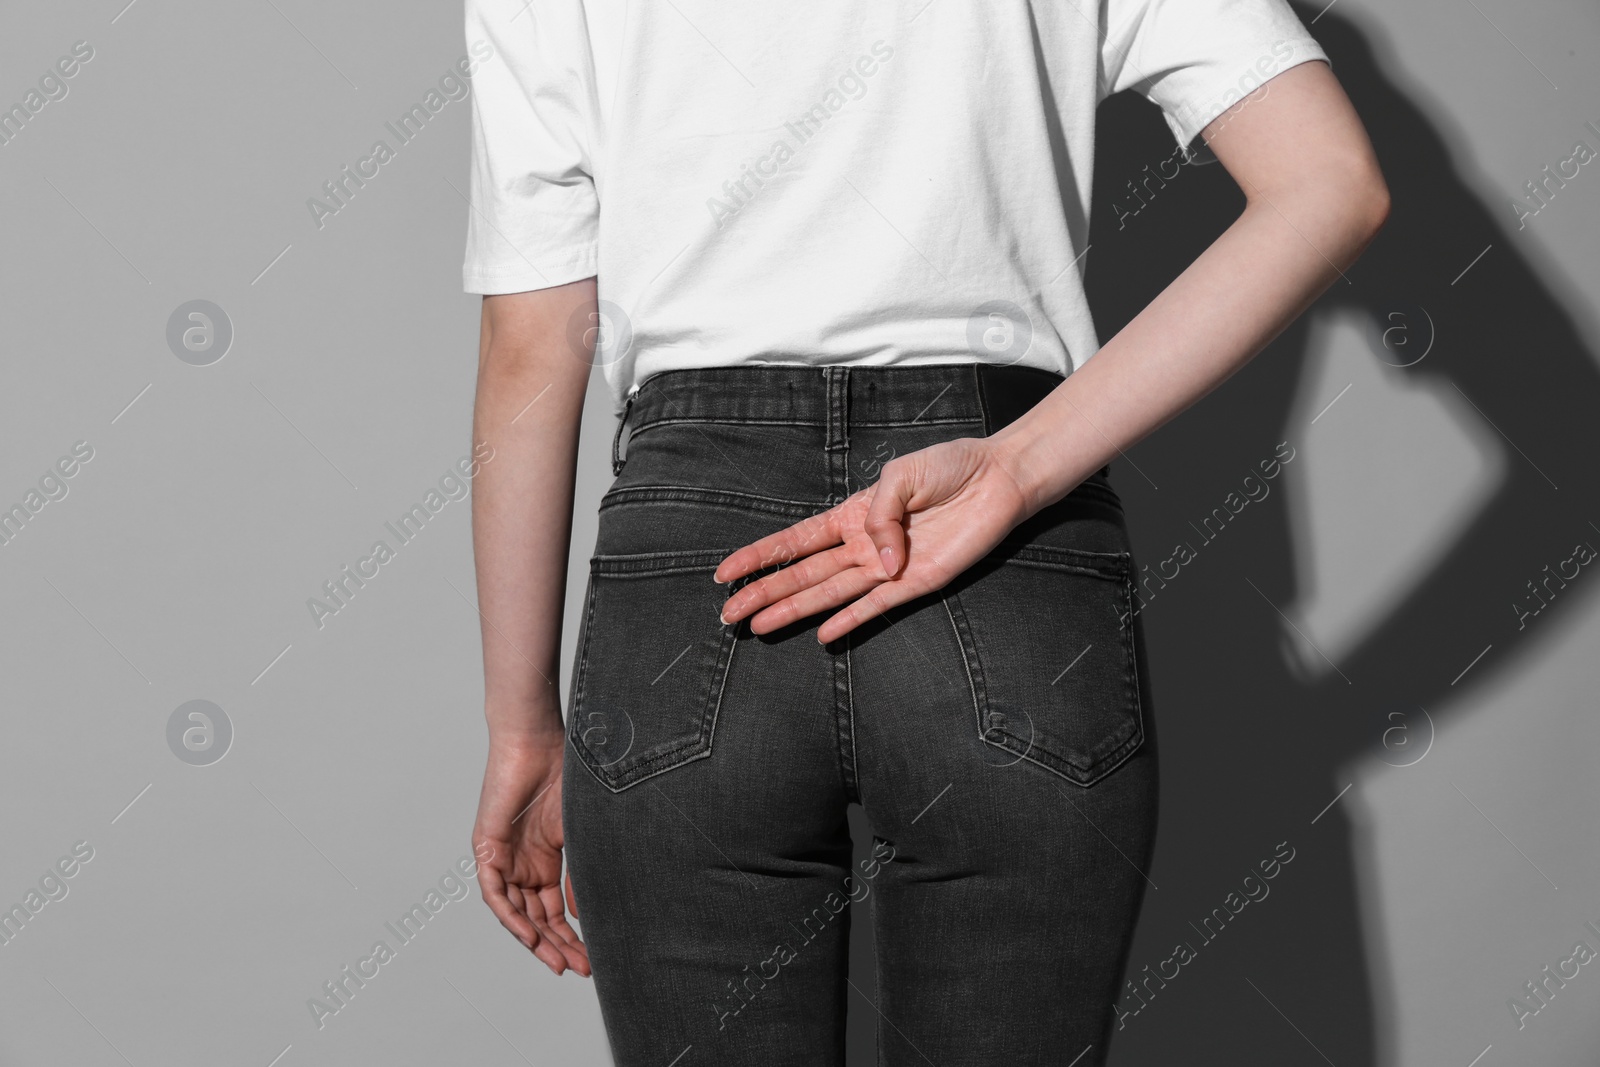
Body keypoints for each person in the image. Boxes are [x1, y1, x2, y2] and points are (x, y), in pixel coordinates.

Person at [460, 0, 1388, 1062]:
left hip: (696, 580)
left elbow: (531, 347)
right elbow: (1331, 182)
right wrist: (1017, 463)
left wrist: (523, 725)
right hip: (1007, 566)